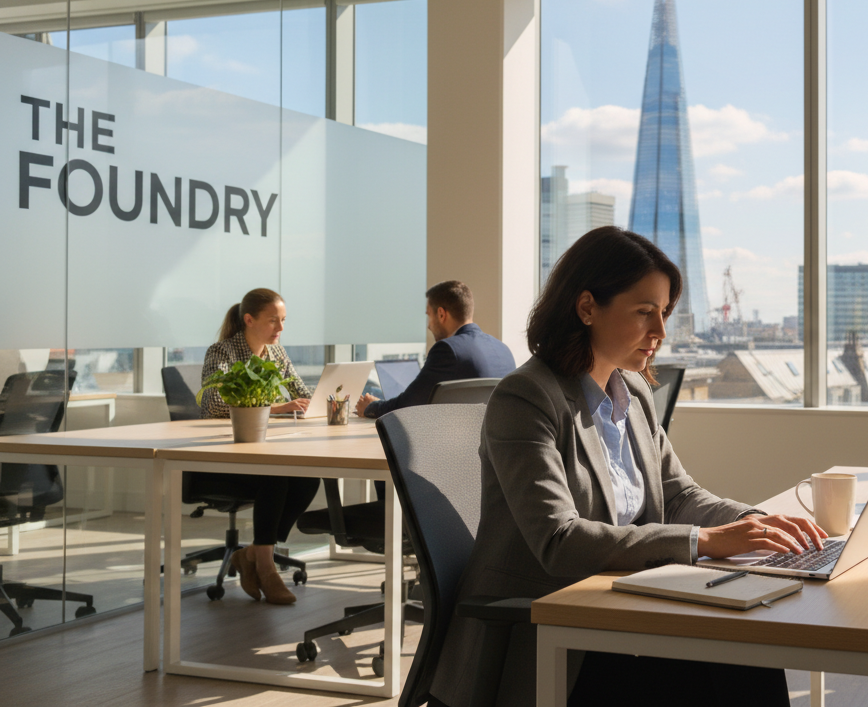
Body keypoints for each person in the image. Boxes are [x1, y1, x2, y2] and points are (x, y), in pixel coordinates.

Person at [429, 227, 824, 707]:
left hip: (619, 605)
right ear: (587, 307)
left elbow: (678, 495)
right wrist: (705, 542)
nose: (660, 332)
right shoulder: (527, 398)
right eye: (644, 313)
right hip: (548, 628)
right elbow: (559, 541)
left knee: (746, 648)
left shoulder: (633, 392)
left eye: (663, 313)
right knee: (730, 663)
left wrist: (752, 522)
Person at [199, 288, 319, 605]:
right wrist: (278, 408)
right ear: (249, 320)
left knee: (310, 477)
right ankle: (265, 567)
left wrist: (320, 403)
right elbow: (213, 404)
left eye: (283, 321)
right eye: (273, 321)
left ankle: (251, 553)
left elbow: (300, 393)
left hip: (259, 452)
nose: (280, 329)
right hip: (221, 457)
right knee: (276, 476)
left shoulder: (275, 353)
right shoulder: (222, 352)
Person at [355, 280, 516, 419]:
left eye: (429, 315)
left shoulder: (448, 350)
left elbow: (408, 406)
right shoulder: (503, 350)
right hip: (492, 450)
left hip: (454, 447)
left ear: (441, 314)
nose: (428, 325)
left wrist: (371, 406)